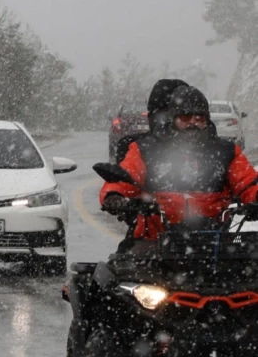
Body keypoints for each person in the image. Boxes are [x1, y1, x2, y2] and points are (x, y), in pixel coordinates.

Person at [101, 83, 258, 240]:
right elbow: (126, 177)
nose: (192, 123)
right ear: (173, 119)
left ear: (207, 120)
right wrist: (114, 196)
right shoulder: (145, 149)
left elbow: (248, 183)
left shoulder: (226, 151)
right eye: (185, 117)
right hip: (154, 240)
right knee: (123, 262)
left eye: (199, 118)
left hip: (214, 241)